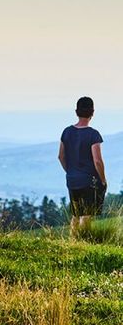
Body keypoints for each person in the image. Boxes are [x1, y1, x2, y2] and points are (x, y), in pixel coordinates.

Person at [58, 96, 108, 236]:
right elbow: (97, 161)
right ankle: (84, 241)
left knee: (76, 213)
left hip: (72, 179)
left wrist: (71, 171)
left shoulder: (66, 132)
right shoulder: (93, 135)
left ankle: (73, 242)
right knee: (87, 214)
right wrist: (103, 180)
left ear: (76, 111)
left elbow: (60, 156)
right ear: (92, 112)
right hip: (89, 180)